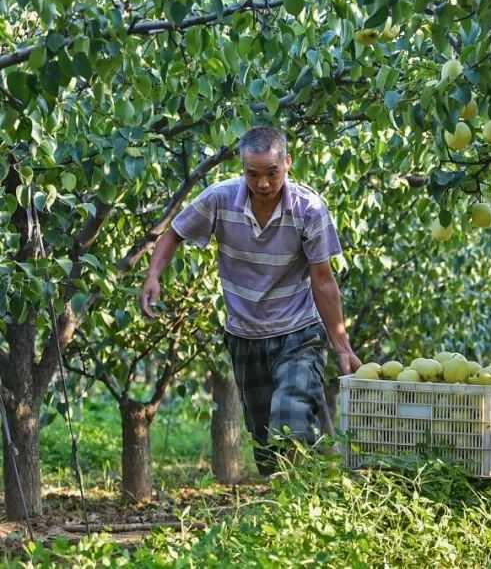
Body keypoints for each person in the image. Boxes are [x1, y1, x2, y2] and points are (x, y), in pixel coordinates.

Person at [139, 126, 361, 476]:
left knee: (289, 421)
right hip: (245, 335)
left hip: (298, 332)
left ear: (288, 163)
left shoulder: (309, 210)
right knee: (267, 448)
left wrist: (342, 346)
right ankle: (292, 509)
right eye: (252, 174)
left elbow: (323, 280)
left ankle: (310, 501)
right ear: (242, 169)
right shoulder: (220, 198)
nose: (262, 183)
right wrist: (153, 276)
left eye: (272, 172)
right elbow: (175, 233)